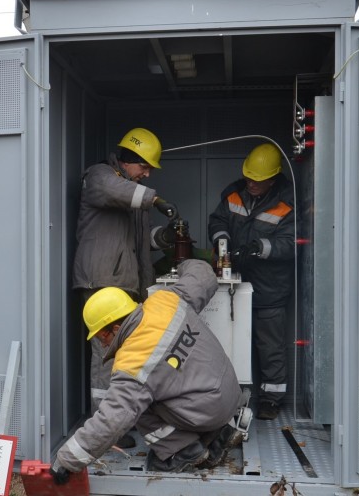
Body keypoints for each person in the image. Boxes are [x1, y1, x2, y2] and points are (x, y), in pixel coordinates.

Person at [51, 259, 244, 477]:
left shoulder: (133, 361)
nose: (103, 344)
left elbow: (112, 419)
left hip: (207, 411)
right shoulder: (165, 300)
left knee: (138, 407)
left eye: (100, 337)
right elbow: (203, 277)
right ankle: (219, 434)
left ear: (114, 329)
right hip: (230, 394)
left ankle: (183, 452)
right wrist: (182, 264)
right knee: (169, 385)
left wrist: (66, 461)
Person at [72, 127, 179, 448]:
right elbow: (117, 191)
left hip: (123, 286)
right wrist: (157, 200)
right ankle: (105, 432)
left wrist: (165, 237)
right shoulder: (100, 177)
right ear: (130, 159)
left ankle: (117, 423)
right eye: (144, 167)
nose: (146, 174)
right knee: (105, 359)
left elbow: (137, 242)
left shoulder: (131, 191)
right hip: (102, 283)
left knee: (123, 358)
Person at [207, 142, 295, 421]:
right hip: (234, 285)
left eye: (257, 180)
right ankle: (229, 398)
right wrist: (222, 238)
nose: (251, 184)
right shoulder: (234, 193)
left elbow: (292, 244)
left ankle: (271, 400)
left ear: (273, 178)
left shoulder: (287, 203)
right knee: (228, 342)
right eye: (248, 178)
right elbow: (217, 220)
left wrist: (260, 247)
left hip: (269, 288)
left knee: (269, 347)